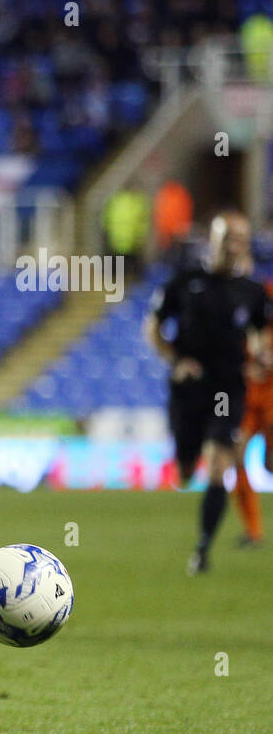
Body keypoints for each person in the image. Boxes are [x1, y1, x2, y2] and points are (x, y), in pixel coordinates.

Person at [143, 211, 272, 574]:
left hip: (228, 388)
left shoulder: (252, 292)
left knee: (219, 463)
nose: (236, 247)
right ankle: (185, 459)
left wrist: (261, 353)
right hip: (188, 389)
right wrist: (175, 359)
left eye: (243, 240)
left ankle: (202, 549)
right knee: (185, 468)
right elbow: (152, 327)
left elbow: (260, 331)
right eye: (229, 238)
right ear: (213, 240)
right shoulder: (184, 281)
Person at [233, 280, 273, 546]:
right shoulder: (248, 299)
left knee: (269, 465)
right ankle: (253, 530)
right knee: (237, 457)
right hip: (248, 399)